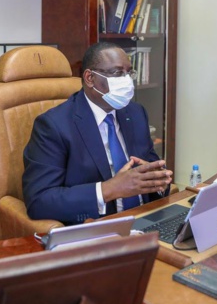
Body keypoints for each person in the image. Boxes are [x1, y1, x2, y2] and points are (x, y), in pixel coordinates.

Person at [22, 42, 173, 224]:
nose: (127, 80)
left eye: (128, 73)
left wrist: (157, 180)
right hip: (97, 226)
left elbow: (151, 168)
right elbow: (40, 201)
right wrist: (109, 189)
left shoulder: (135, 113)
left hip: (145, 219)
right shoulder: (53, 125)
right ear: (90, 78)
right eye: (117, 73)